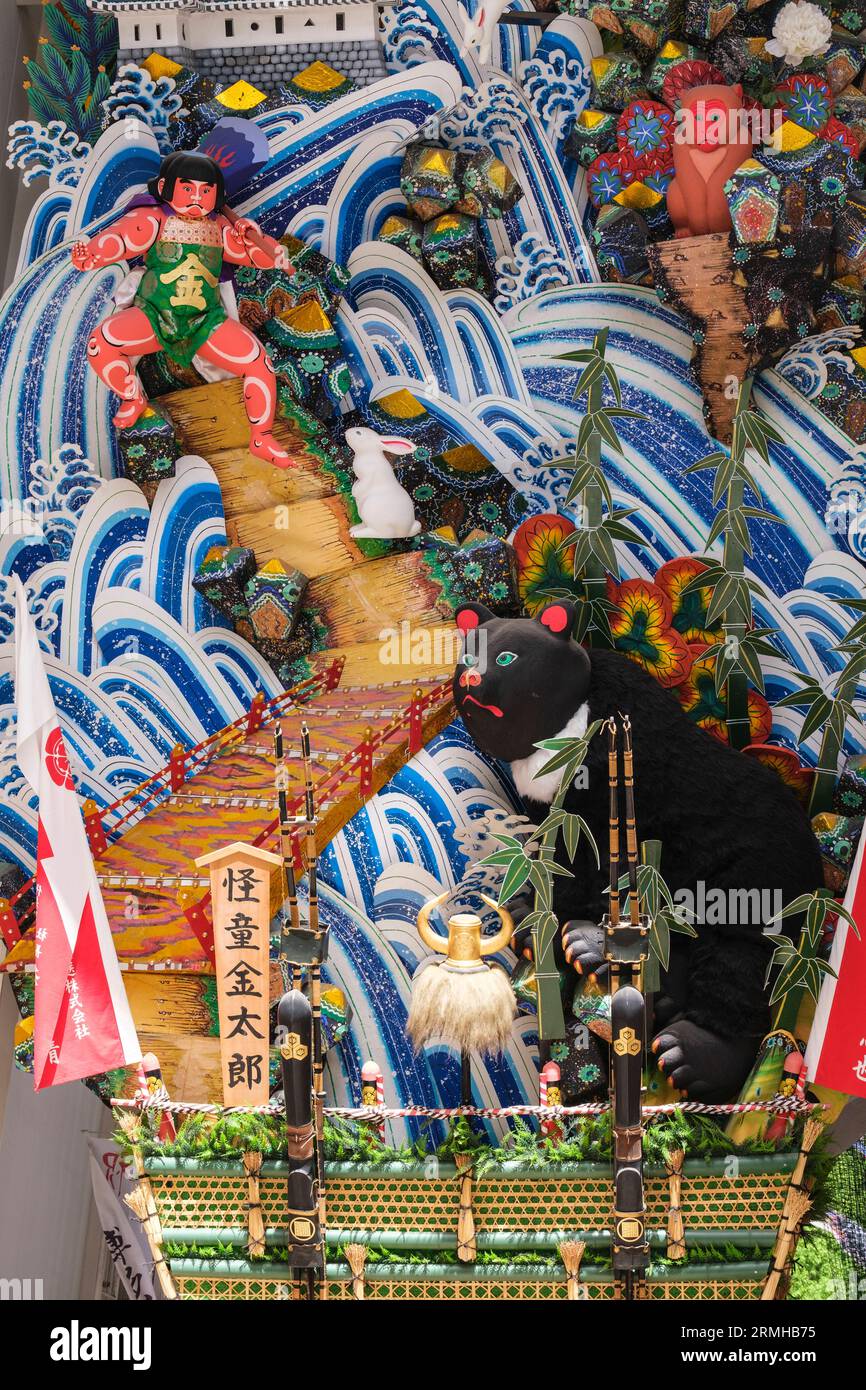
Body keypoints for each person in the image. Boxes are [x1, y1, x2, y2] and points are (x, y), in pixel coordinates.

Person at [71, 151, 294, 468]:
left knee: (259, 362)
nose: (197, 198)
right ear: (165, 186)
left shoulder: (219, 228)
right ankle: (132, 396)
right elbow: (121, 239)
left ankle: (262, 437)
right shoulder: (152, 219)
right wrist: (91, 254)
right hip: (154, 316)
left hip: (205, 322)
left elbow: (258, 257)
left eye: (206, 191)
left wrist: (267, 247)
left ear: (218, 195)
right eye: (187, 188)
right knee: (100, 344)